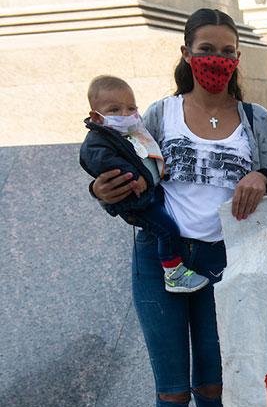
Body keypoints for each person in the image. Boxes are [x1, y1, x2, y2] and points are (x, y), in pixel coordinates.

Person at [88, 8, 267, 407]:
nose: (215, 60)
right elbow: (129, 179)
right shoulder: (157, 113)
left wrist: (259, 176)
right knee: (173, 393)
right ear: (186, 54)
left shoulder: (255, 117)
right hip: (161, 260)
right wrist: (104, 191)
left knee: (214, 391)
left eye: (226, 51)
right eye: (206, 49)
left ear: (237, 59)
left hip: (225, 264)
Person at [80, 75, 208, 293]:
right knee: (166, 230)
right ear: (96, 116)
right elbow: (101, 161)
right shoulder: (98, 141)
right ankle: (173, 273)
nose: (125, 115)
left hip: (150, 197)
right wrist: (129, 176)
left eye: (131, 108)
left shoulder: (133, 133)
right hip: (137, 202)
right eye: (114, 110)